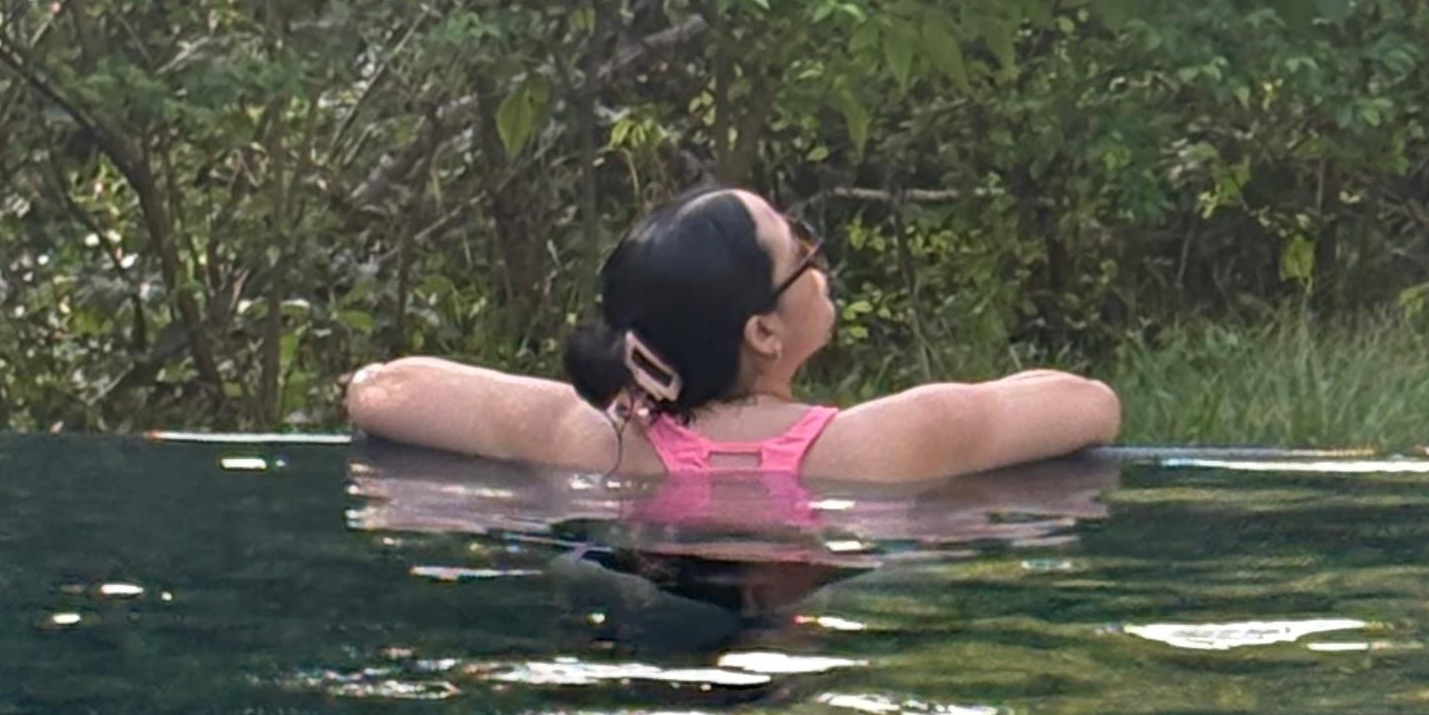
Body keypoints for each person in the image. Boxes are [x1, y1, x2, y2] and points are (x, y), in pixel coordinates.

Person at [343, 184, 1119, 487]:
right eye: (800, 252)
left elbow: (383, 390)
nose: (818, 261)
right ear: (764, 333)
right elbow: (1092, 405)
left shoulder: (597, 443)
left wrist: (613, 400)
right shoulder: (888, 441)